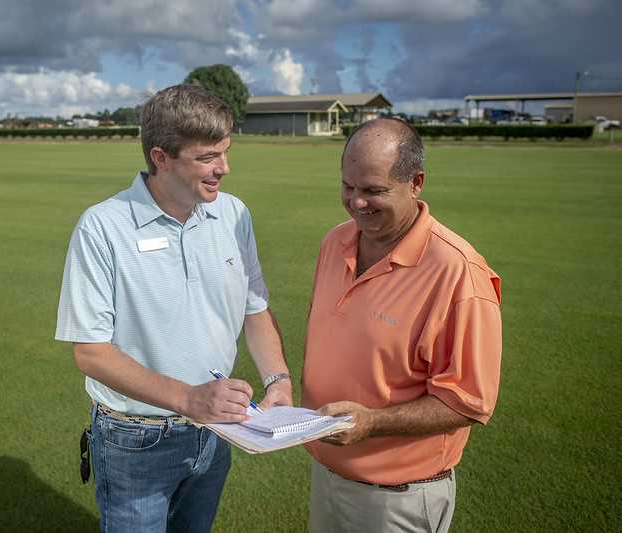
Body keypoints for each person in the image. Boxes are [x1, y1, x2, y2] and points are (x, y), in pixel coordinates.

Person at [55, 83, 293, 532]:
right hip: (136, 437)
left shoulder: (233, 213)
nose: (224, 168)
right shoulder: (102, 227)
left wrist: (278, 380)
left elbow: (253, 308)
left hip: (218, 429)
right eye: (208, 157)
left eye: (225, 152)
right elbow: (90, 352)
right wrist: (188, 398)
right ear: (161, 157)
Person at [301, 118, 502, 532]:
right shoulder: (335, 240)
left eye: (374, 190)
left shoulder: (458, 272)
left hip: (398, 500)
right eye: (348, 187)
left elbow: (469, 401)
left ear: (416, 183)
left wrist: (373, 423)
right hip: (326, 477)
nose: (357, 203)